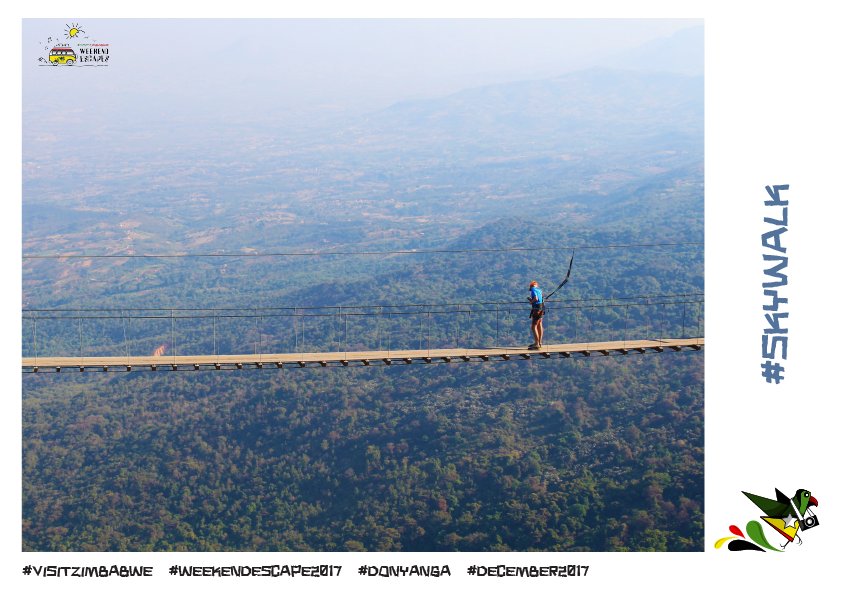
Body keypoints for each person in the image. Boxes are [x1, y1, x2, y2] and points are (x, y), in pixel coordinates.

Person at [528, 280, 544, 349]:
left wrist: (531, 301)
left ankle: (536, 344)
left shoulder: (533, 290)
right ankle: (539, 342)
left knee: (533, 326)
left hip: (536, 308)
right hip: (541, 308)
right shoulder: (539, 290)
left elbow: (536, 299)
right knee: (539, 324)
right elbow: (541, 299)